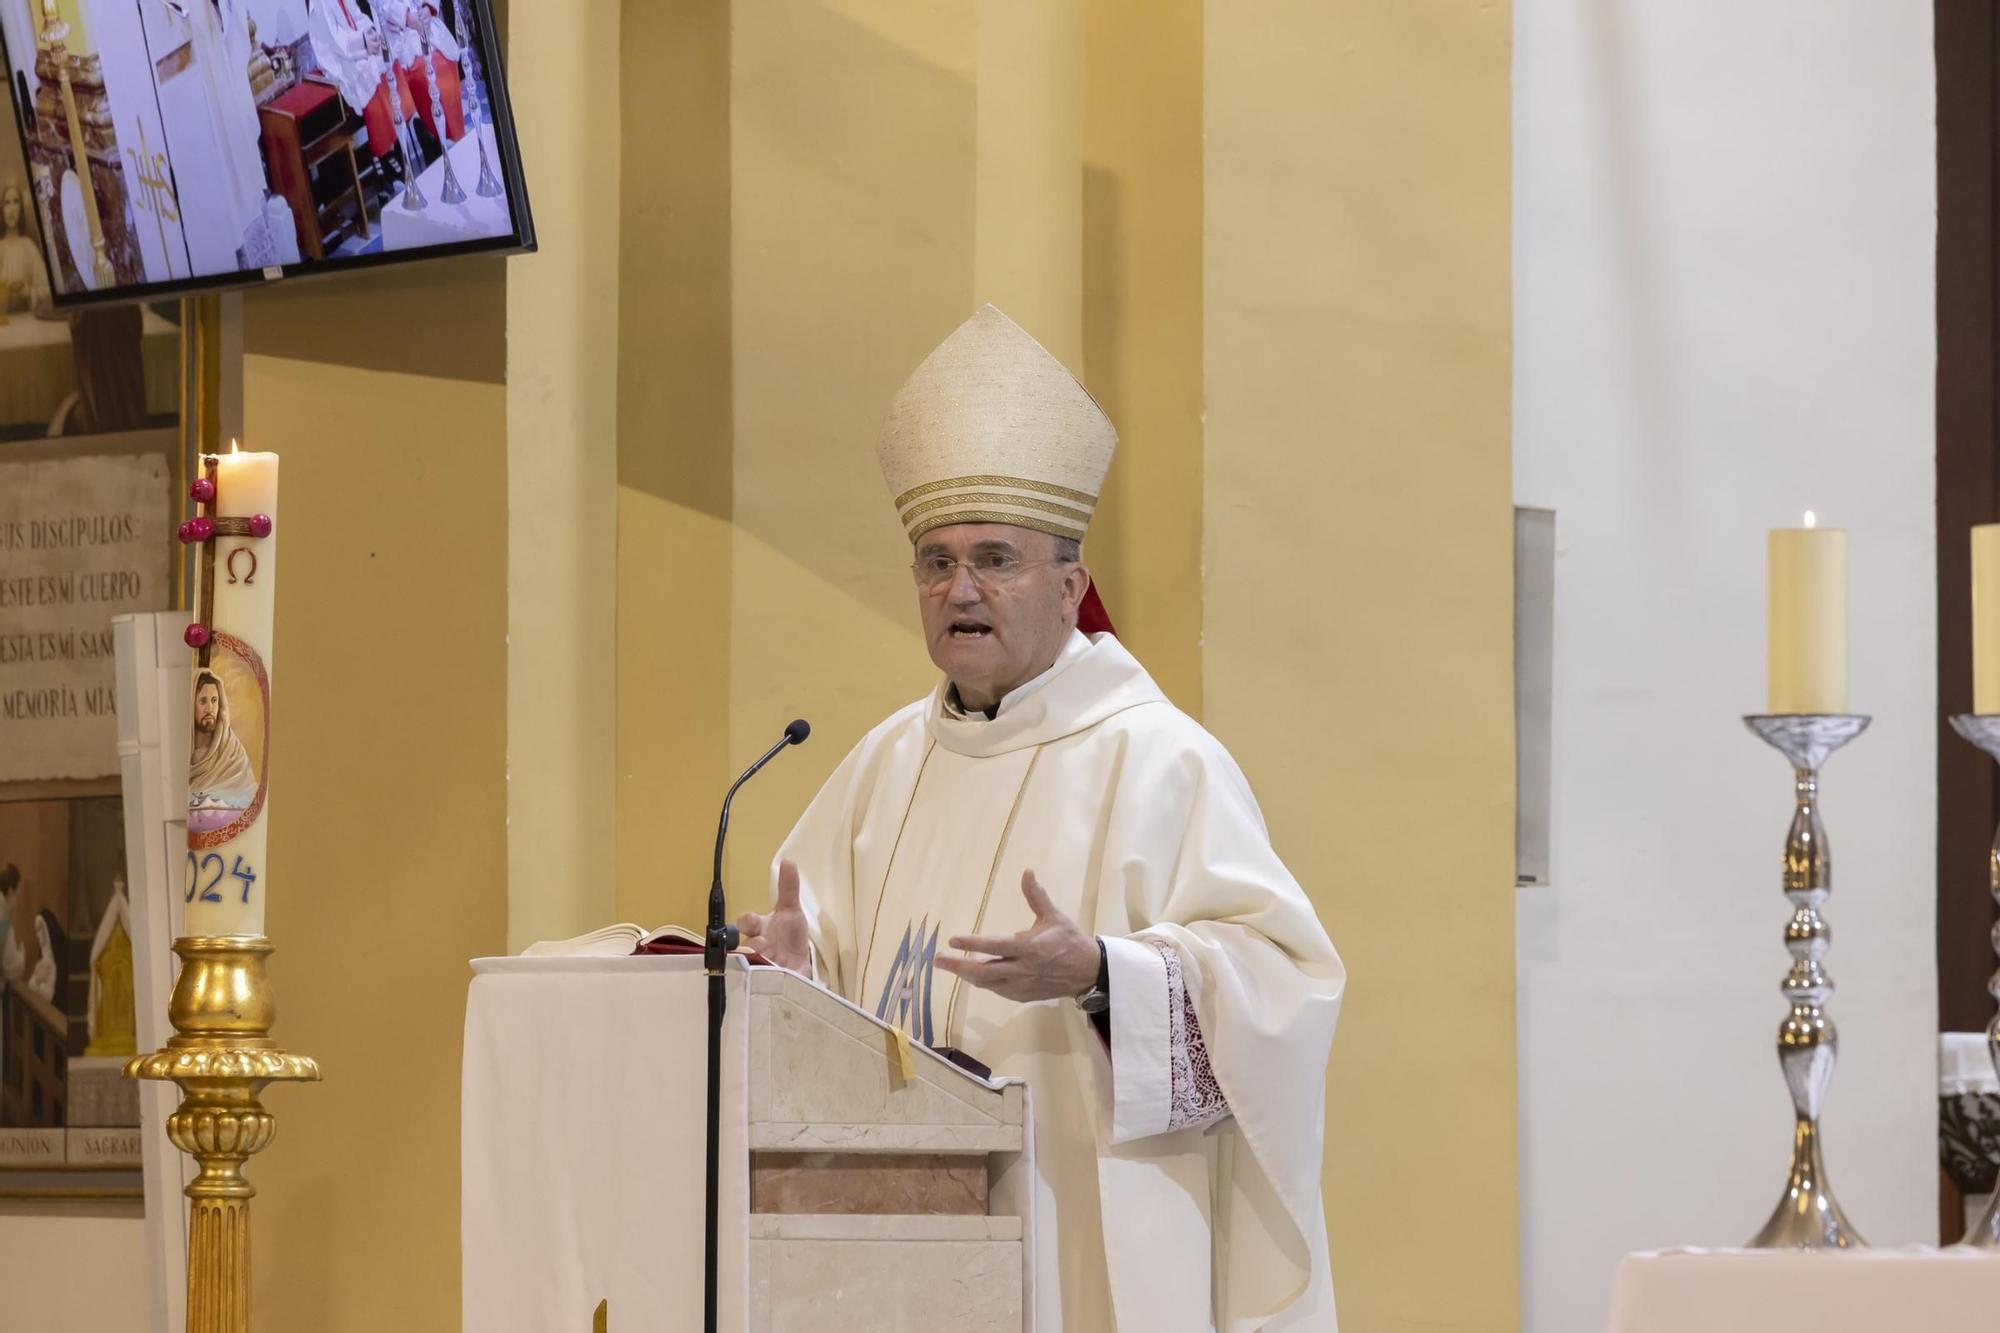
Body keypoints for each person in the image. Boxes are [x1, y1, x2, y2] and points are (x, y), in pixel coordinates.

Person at [737, 306, 1345, 1330]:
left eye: (993, 558)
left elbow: (1284, 987)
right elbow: (834, 1007)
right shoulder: (881, 764)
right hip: (893, 1245)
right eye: (935, 561)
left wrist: (1104, 973)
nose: (957, 588)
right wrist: (796, 984)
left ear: (1070, 590)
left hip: (1080, 1232)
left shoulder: (1157, 760)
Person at [190, 670, 257, 812]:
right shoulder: (179, 751)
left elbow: (249, 798)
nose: (210, 709)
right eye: (203, 701)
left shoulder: (232, 751)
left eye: (214, 700)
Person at [0, 183, 50, 313]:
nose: (11, 209)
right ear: (1, 210)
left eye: (16, 202)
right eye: (7, 203)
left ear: (21, 209)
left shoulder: (28, 246)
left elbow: (47, 290)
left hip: (26, 322)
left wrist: (28, 292)